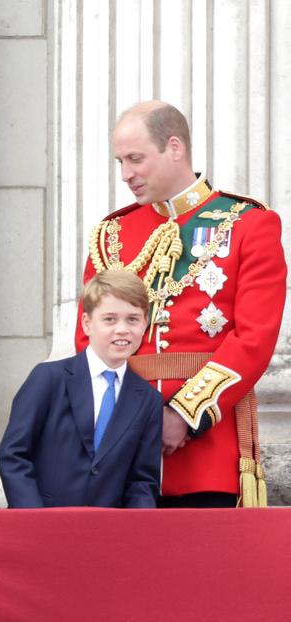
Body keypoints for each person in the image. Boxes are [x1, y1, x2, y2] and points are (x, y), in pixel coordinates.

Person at [77, 100, 285, 507]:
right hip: (120, 450)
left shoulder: (247, 224)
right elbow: (89, 340)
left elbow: (253, 340)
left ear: (175, 148)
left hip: (205, 452)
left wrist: (185, 415)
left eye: (135, 159)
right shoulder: (111, 235)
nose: (126, 175)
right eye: (120, 161)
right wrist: (123, 422)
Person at [2, 269, 161, 508]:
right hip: (43, 525)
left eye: (132, 319)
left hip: (108, 534)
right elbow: (13, 455)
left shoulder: (148, 399)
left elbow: (142, 481)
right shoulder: (48, 378)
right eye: (109, 319)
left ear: (145, 323)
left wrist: (133, 534)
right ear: (87, 323)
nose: (122, 329)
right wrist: (34, 519)